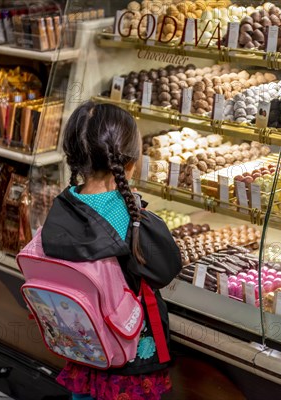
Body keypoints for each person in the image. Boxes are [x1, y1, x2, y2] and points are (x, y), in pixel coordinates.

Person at [40, 101, 182, 400]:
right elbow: (165, 270)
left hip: (84, 342)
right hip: (129, 349)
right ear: (130, 161)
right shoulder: (132, 220)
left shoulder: (62, 207)